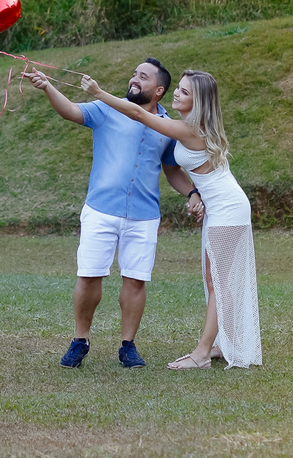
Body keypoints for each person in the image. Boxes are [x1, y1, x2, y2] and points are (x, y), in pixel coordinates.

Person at [23, 59, 200, 369]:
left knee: (136, 281)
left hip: (144, 215)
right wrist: (48, 86)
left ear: (158, 90)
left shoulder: (168, 125)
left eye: (142, 77)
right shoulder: (107, 108)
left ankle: (128, 346)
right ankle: (81, 340)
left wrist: (192, 192)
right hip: (100, 209)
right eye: (134, 74)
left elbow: (172, 171)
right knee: (89, 275)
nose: (134, 79)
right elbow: (71, 111)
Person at [80, 69, 261, 370]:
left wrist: (99, 93)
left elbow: (138, 114)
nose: (176, 93)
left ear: (199, 102)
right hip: (218, 209)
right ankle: (217, 343)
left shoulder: (190, 129)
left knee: (219, 283)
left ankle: (202, 353)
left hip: (228, 209)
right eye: (178, 88)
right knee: (214, 280)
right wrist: (194, 195)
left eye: (185, 92)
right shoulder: (188, 126)